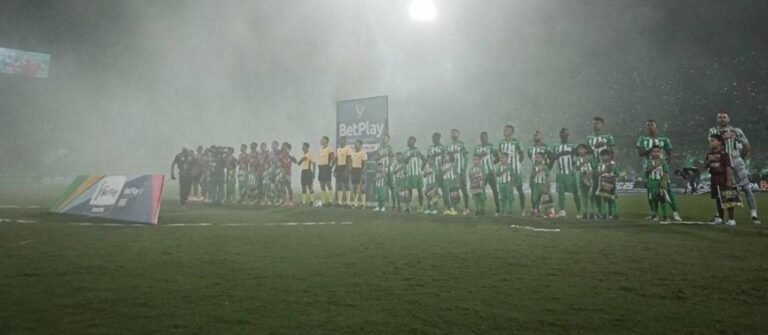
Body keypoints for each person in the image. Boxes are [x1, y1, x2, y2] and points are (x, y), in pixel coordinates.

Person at [707, 110, 760, 224]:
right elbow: (711, 144)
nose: (722, 119)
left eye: (724, 117)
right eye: (720, 117)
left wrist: (740, 158)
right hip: (721, 161)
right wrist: (724, 138)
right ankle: (720, 214)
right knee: (721, 188)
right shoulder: (713, 130)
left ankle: (754, 214)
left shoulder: (737, 131)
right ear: (717, 119)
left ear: (728, 119)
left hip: (736, 159)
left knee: (746, 187)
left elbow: (746, 146)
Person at [636, 119, 682, 221]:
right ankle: (654, 214)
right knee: (651, 193)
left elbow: (670, 153)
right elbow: (640, 153)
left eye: (652, 125)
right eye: (648, 125)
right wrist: (651, 150)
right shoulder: (642, 138)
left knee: (667, 191)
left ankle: (675, 213)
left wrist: (665, 164)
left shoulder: (663, 138)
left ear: (656, 126)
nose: (650, 127)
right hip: (649, 169)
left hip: (661, 169)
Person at [706, 134, 735, 225]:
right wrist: (710, 160)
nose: (710, 142)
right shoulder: (709, 154)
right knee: (718, 199)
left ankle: (731, 219)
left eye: (712, 140)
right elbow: (705, 165)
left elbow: (728, 168)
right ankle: (721, 218)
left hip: (723, 177)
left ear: (719, 142)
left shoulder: (724, 154)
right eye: (710, 140)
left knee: (728, 198)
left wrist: (729, 180)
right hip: (714, 178)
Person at [552, 128, 580, 217]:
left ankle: (580, 211)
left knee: (576, 192)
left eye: (567, 134)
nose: (565, 136)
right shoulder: (556, 146)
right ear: (560, 135)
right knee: (561, 193)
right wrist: (561, 154)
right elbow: (552, 158)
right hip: (560, 173)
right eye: (563, 134)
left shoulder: (572, 145)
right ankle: (562, 211)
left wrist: (577, 164)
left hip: (571, 173)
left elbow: (579, 155)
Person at [498, 125, 526, 215]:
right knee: (505, 192)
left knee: (519, 189)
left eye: (507, 129)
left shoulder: (516, 142)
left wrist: (516, 164)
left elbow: (522, 155)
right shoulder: (501, 142)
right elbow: (501, 155)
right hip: (505, 171)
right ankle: (505, 210)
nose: (504, 130)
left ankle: (523, 209)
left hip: (515, 170)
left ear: (512, 132)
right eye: (504, 129)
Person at [474, 132, 500, 215]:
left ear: (488, 138)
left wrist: (492, 165)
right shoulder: (477, 148)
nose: (483, 138)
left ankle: (498, 209)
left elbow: (498, 158)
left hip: (491, 172)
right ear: (480, 138)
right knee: (479, 191)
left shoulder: (491, 147)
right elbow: (475, 159)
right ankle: (481, 209)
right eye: (482, 137)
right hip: (481, 173)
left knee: (495, 191)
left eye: (485, 137)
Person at [447, 129, 471, 214]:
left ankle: (467, 208)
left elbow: (466, 157)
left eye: (455, 133)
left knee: (464, 189)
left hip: (460, 171)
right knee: (453, 190)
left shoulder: (462, 144)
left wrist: (464, 170)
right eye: (452, 133)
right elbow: (448, 159)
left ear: (459, 134)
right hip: (452, 172)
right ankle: (453, 208)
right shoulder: (449, 146)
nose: (453, 134)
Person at [644, 145, 670, 222]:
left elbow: (665, 172)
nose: (655, 153)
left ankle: (665, 216)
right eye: (654, 151)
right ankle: (654, 216)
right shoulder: (649, 161)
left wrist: (663, 182)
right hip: (652, 182)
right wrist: (655, 165)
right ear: (651, 153)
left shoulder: (663, 161)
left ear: (660, 152)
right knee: (653, 200)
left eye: (657, 151)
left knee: (663, 199)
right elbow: (647, 171)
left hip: (660, 182)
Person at [527, 130, 550, 216]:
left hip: (543, 177)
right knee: (534, 195)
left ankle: (543, 210)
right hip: (535, 177)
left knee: (544, 195)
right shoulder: (530, 148)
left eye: (538, 135)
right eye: (535, 135)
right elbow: (530, 157)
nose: (536, 136)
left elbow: (550, 157)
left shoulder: (545, 147)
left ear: (541, 136)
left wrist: (546, 168)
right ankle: (535, 209)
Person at [404, 136, 426, 213]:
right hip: (409, 174)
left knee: (420, 190)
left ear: (414, 142)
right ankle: (408, 206)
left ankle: (421, 206)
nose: (409, 142)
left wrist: (421, 169)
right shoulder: (406, 152)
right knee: (409, 191)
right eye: (408, 141)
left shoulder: (417, 151)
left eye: (411, 141)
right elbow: (405, 162)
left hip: (417, 174)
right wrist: (409, 156)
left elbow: (424, 159)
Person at [595, 149, 619, 219]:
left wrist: (615, 176)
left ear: (609, 156)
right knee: (604, 199)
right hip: (602, 184)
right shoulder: (599, 165)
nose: (603, 157)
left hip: (612, 184)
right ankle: (605, 214)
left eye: (605, 155)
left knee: (613, 199)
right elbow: (596, 174)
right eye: (602, 156)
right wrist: (604, 171)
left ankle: (614, 214)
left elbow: (617, 174)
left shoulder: (613, 165)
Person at [574, 144, 596, 219]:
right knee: (583, 196)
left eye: (582, 149)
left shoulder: (590, 158)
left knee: (591, 196)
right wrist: (582, 163)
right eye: (579, 149)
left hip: (590, 178)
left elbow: (594, 167)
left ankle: (593, 212)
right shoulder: (577, 159)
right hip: (581, 178)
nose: (580, 150)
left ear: (586, 150)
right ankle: (585, 212)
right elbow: (576, 168)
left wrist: (591, 174)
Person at [426, 133, 446, 210]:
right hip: (432, 172)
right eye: (433, 137)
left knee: (444, 189)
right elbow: (428, 158)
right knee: (432, 190)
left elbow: (445, 158)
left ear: (439, 138)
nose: (434, 139)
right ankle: (433, 206)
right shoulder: (430, 148)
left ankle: (446, 206)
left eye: (436, 137)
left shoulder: (443, 147)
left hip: (441, 171)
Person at [530, 152, 552, 217]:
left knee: (544, 198)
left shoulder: (545, 167)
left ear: (542, 159)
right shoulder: (534, 167)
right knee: (535, 198)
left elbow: (547, 176)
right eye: (536, 158)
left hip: (543, 184)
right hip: (535, 184)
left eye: (538, 157)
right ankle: (536, 210)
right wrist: (531, 182)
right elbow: (531, 176)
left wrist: (548, 185)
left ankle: (545, 212)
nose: (537, 159)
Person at [375, 134, 394, 209]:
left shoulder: (389, 148)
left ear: (388, 140)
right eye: (382, 138)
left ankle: (394, 205)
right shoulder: (379, 148)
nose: (383, 140)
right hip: (380, 171)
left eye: (385, 138)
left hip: (388, 170)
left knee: (391, 187)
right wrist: (380, 156)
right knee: (381, 187)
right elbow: (376, 158)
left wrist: (387, 168)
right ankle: (382, 205)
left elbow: (392, 159)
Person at [334, 136, 353, 207]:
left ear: (345, 141)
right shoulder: (338, 149)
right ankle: (339, 203)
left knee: (346, 185)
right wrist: (335, 170)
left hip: (345, 167)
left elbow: (349, 160)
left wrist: (347, 170)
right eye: (340, 139)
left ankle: (348, 203)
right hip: (339, 167)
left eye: (343, 140)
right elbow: (337, 160)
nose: (341, 141)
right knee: (339, 185)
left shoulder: (348, 148)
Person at [494, 152, 514, 216]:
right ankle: (503, 211)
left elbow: (512, 176)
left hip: (508, 183)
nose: (502, 159)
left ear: (507, 158)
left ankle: (510, 211)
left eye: (503, 157)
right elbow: (497, 174)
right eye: (501, 158)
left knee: (510, 198)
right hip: (501, 184)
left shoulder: (510, 166)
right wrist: (502, 171)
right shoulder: (499, 166)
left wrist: (512, 185)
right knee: (503, 198)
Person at [350, 140, 368, 209]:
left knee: (361, 188)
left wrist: (363, 172)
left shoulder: (363, 153)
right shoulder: (352, 152)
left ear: (360, 145)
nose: (355, 145)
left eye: (356, 144)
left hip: (360, 170)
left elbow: (365, 163)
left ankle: (363, 204)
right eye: (355, 144)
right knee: (354, 188)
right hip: (354, 170)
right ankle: (356, 204)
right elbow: (351, 162)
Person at [317, 136, 335, 206]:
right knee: (322, 184)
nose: (321, 140)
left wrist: (330, 168)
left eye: (322, 139)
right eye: (321, 139)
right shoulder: (321, 149)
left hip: (326, 167)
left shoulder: (329, 149)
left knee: (328, 184)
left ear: (326, 141)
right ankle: (323, 202)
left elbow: (334, 159)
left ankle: (330, 201)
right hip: (321, 167)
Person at [278, 142, 297, 207]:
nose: (283, 147)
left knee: (289, 187)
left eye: (285, 146)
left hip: (288, 173)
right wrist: (281, 169)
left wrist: (291, 156)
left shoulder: (290, 155)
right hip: (282, 173)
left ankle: (291, 201)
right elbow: (278, 163)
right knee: (283, 187)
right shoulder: (281, 155)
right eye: (283, 146)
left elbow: (295, 161)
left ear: (288, 148)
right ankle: (285, 201)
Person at [298, 142, 316, 206]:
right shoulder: (302, 155)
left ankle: (312, 201)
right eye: (302, 146)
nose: (302, 147)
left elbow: (314, 163)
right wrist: (302, 159)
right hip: (303, 171)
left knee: (310, 186)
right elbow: (298, 163)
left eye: (303, 146)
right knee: (303, 186)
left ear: (307, 147)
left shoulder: (310, 154)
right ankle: (303, 202)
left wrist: (314, 172)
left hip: (308, 171)